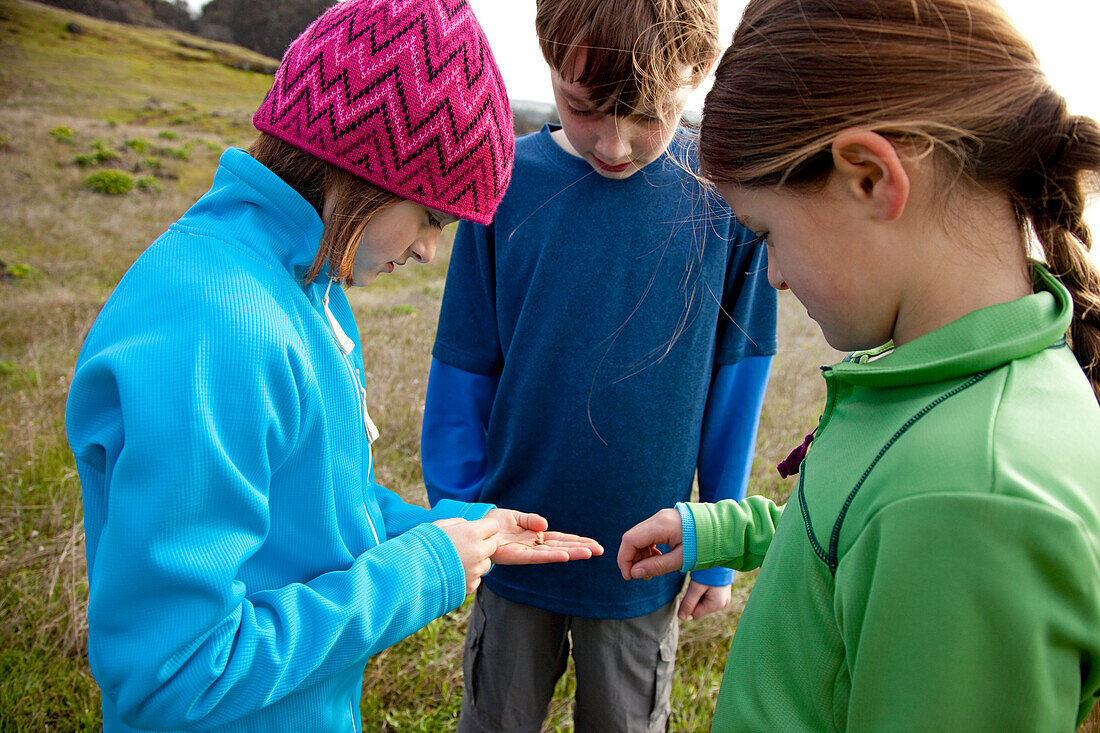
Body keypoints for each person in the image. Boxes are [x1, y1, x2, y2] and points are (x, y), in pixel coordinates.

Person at [64, 1, 604, 730]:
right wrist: (422, 570)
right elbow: (175, 675)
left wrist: (451, 533)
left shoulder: (306, 284)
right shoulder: (217, 330)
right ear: (366, 167)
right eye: (432, 216)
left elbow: (312, 501)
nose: (427, 251)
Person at [618, 0, 1100, 730]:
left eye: (768, 232)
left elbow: (909, 524)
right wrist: (725, 530)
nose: (774, 274)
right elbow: (861, 540)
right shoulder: (931, 384)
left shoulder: (967, 504)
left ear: (870, 177)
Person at [419, 0, 778, 729]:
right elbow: (463, 364)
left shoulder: (724, 202)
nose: (614, 145)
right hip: (512, 544)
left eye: (644, 114)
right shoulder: (508, 182)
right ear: (552, 64)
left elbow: (736, 385)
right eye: (585, 109)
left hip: (642, 560)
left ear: (697, 72)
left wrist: (711, 546)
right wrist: (460, 513)